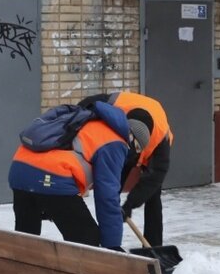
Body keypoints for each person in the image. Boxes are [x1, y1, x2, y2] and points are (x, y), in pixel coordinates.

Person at [8, 100, 151, 250]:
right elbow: (107, 195)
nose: (133, 153)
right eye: (137, 148)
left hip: (19, 169)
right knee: (87, 242)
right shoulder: (117, 142)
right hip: (52, 177)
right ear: (132, 137)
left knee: (26, 240)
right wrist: (113, 246)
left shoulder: (90, 122)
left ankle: (20, 271)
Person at [79, 91, 174, 246]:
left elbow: (153, 180)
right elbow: (85, 107)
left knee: (153, 195)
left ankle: (153, 245)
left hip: (148, 137)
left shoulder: (161, 142)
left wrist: (130, 204)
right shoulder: (112, 108)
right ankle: (107, 232)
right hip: (123, 134)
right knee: (110, 190)